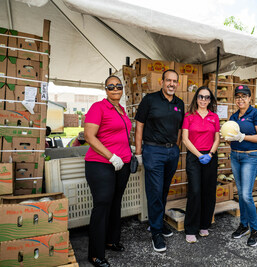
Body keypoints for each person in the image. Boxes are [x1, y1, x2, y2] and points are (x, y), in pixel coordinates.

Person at [84, 75, 132, 267]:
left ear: (122, 89)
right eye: (110, 86)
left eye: (118, 86)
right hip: (101, 163)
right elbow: (89, 136)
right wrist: (111, 156)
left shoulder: (121, 109)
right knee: (102, 205)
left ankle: (111, 240)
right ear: (105, 90)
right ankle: (95, 254)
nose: (115, 89)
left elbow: (121, 135)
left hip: (122, 164)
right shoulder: (98, 107)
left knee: (115, 202)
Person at [135, 69, 185, 252]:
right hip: (153, 150)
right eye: (168, 80)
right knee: (155, 190)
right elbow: (139, 125)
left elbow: (180, 128)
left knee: (164, 190)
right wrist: (139, 152)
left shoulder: (180, 103)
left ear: (177, 84)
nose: (171, 84)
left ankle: (159, 222)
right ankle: (155, 231)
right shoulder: (150, 100)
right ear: (162, 82)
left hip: (171, 151)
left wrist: (177, 148)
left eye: (174, 81)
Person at [226, 85, 257, 247]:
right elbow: (231, 137)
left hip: (251, 156)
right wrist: (227, 136)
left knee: (246, 194)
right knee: (240, 193)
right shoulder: (234, 116)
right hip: (235, 156)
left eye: (244, 96)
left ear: (250, 98)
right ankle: (244, 225)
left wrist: (243, 136)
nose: (240, 99)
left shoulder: (256, 114)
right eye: (237, 96)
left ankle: (255, 230)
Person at [182, 86, 220, 243]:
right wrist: (199, 155)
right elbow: (185, 139)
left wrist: (210, 154)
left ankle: (204, 225)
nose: (203, 100)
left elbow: (217, 138)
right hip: (194, 157)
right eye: (201, 97)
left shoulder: (214, 117)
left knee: (209, 191)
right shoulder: (189, 116)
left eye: (207, 97)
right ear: (196, 98)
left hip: (210, 156)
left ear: (210, 100)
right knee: (195, 191)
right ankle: (190, 228)